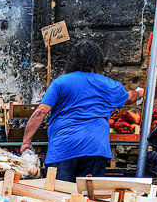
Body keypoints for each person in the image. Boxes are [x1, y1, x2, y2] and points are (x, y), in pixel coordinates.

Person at [19, 40, 143, 181]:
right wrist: (141, 93)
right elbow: (130, 98)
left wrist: (26, 142)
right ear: (97, 61)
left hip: (64, 148)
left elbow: (40, 112)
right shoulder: (109, 85)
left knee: (59, 197)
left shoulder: (61, 82)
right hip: (95, 149)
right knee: (88, 197)